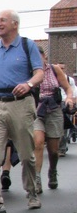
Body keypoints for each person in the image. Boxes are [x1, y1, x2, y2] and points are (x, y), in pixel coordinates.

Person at [0, 9, 43, 213]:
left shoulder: (27, 45)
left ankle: (32, 192)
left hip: (20, 104)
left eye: (3, 20)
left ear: (15, 24)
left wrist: (29, 84)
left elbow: (39, 72)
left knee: (26, 155)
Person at [32, 48, 73, 192]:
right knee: (38, 143)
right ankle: (37, 179)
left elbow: (67, 88)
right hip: (37, 111)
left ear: (44, 56)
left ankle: (53, 170)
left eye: (39, 56)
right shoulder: (29, 73)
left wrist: (68, 98)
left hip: (54, 110)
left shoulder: (54, 69)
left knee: (53, 150)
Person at [57, 63, 77, 156]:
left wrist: (72, 102)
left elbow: (74, 92)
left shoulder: (70, 80)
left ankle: (62, 148)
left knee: (64, 127)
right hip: (55, 104)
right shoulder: (53, 78)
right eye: (59, 68)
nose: (61, 70)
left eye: (63, 68)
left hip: (66, 104)